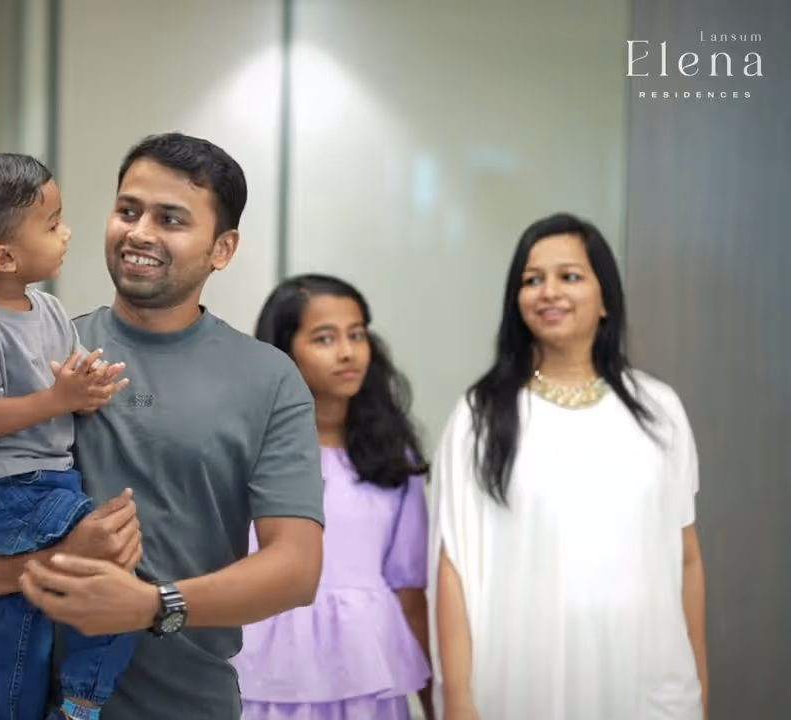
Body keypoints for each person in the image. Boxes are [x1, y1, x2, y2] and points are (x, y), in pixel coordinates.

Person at [0, 132, 326, 720]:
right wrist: (52, 565)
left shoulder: (268, 378)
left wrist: (151, 605)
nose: (140, 232)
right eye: (128, 210)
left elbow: (296, 570)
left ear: (222, 248)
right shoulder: (40, 355)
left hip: (183, 705)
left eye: (172, 219)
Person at [429, 213, 709, 720]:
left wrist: (700, 686)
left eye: (569, 276)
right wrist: (460, 700)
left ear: (605, 300)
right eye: (532, 280)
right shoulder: (482, 414)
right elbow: (452, 567)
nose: (548, 292)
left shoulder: (659, 410)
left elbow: (686, 557)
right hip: (518, 683)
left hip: (646, 680)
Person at [0, 151, 137, 720]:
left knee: (23, 617)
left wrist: (86, 386)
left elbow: (66, 380)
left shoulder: (45, 309)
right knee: (109, 566)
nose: (67, 232)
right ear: (3, 256)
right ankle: (80, 702)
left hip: (46, 484)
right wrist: (58, 400)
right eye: (53, 223)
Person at [232, 274, 436, 720]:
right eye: (325, 338)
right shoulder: (246, 451)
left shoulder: (392, 459)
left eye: (357, 334)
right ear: (284, 351)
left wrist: (436, 701)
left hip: (368, 675)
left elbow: (408, 589)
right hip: (260, 673)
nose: (348, 352)